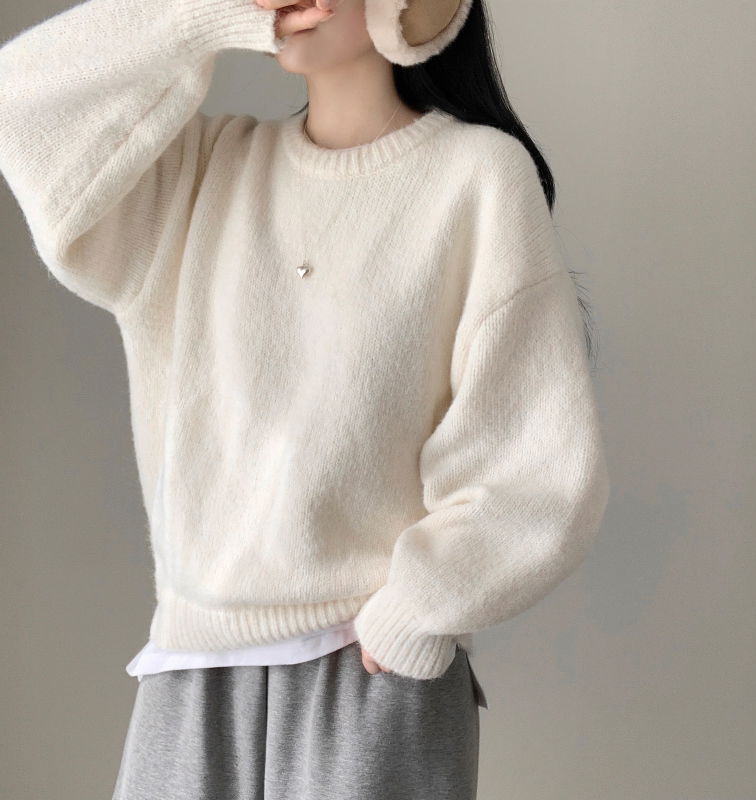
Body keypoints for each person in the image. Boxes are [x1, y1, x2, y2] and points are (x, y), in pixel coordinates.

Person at [0, 0, 610, 797]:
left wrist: (417, 612)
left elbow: (537, 459)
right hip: (191, 667)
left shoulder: (478, 178)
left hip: (369, 670)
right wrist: (201, 16)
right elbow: (23, 102)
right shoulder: (202, 175)